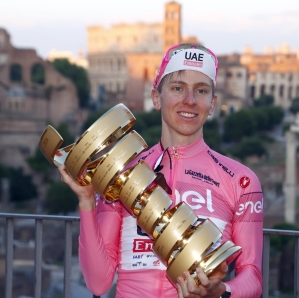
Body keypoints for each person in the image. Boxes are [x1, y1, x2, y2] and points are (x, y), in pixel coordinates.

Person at [59, 44, 263, 298]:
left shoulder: (240, 181)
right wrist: (87, 200)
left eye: (201, 90)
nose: (189, 100)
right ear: (156, 97)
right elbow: (98, 282)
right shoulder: (122, 175)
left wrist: (222, 292)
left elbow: (252, 276)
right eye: (178, 88)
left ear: (212, 104)